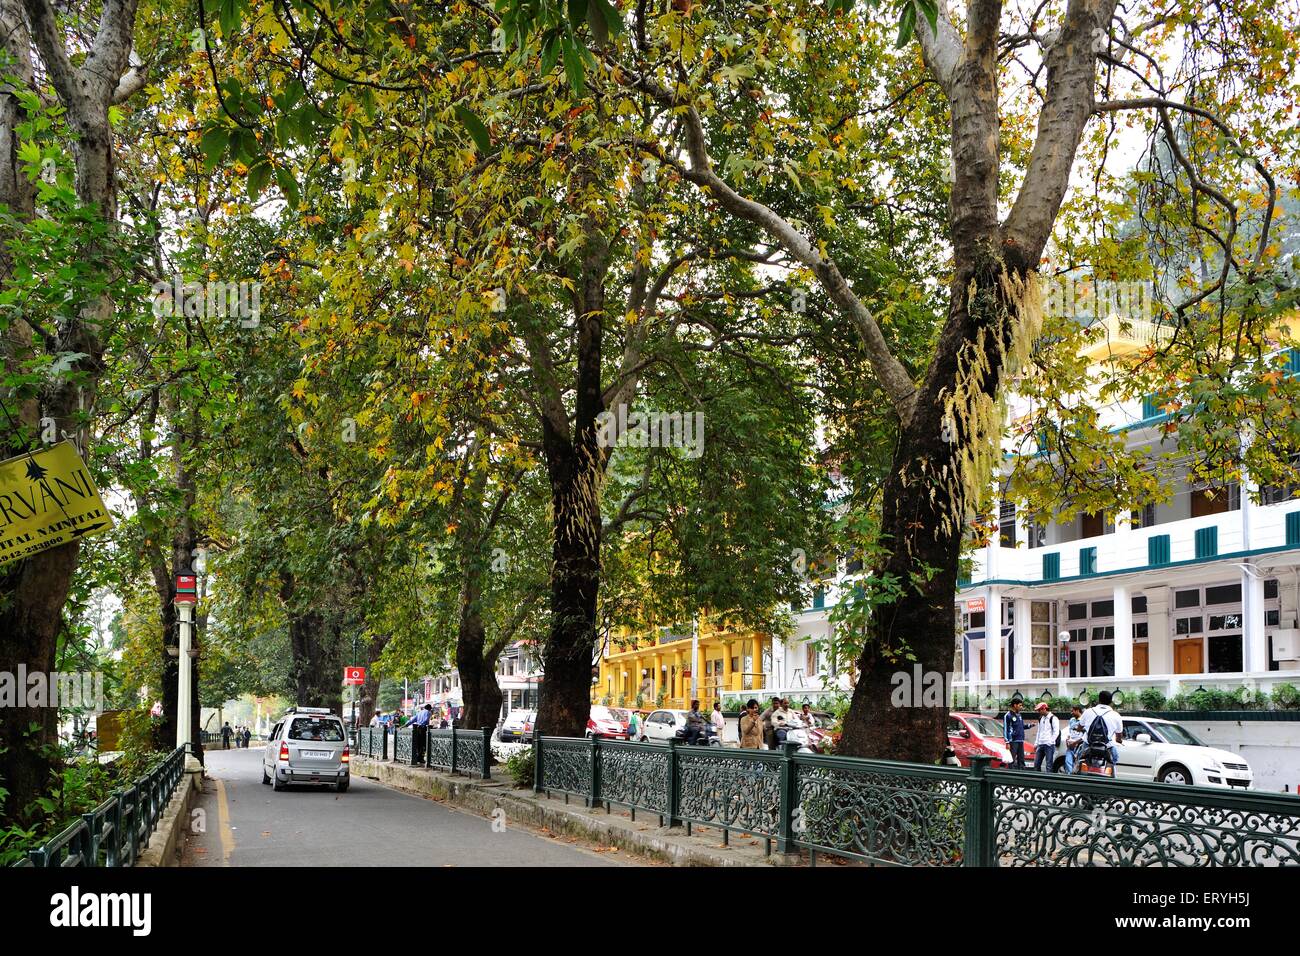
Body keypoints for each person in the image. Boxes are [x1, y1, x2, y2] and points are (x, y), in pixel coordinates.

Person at [1080, 691, 1124, 768]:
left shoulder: (1088, 711)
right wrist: (1119, 740)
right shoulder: (1116, 715)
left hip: (1088, 745)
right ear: (1111, 702)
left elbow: (1080, 727)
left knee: (1079, 761)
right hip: (1108, 747)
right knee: (1114, 760)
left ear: (1099, 700)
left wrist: (1079, 729)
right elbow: (1119, 736)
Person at [1032, 702, 1058, 772]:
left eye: (1039, 710)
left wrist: (1050, 742)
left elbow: (1056, 732)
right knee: (1036, 764)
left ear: (1044, 709)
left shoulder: (1053, 718)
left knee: (1049, 765)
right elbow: (1039, 731)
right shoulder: (1041, 719)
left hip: (1049, 745)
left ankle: (1049, 781)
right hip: (1041, 744)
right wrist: (1036, 743)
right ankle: (1038, 781)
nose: (1038, 712)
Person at [1002, 699, 1026, 769]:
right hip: (1013, 741)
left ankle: (1021, 775)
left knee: (1021, 760)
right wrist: (1007, 742)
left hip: (1020, 740)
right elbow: (1006, 729)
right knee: (1011, 760)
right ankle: (1011, 776)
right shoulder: (1008, 715)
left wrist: (1030, 725)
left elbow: (1021, 727)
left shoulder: (1019, 715)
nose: (1021, 707)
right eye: (1020, 705)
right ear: (1015, 705)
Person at [1063, 704, 1085, 773]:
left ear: (1077, 710)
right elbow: (1070, 732)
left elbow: (1085, 736)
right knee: (1068, 762)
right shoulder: (1072, 720)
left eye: (1073, 711)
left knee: (1077, 766)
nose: (1071, 713)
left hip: (1079, 747)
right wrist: (1067, 739)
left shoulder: (1084, 721)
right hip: (1070, 746)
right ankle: (1069, 780)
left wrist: (1075, 743)